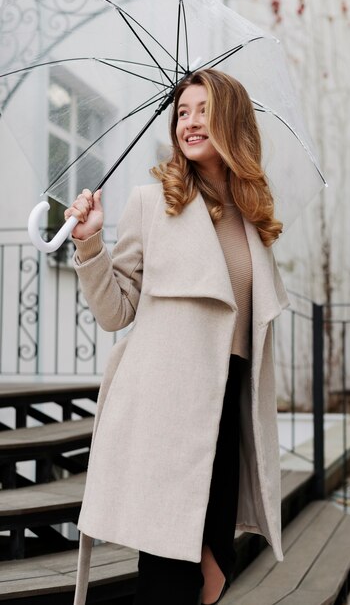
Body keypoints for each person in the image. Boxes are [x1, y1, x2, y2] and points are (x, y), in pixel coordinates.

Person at [67, 68, 289, 605]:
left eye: (203, 111)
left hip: (228, 406)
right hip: (168, 406)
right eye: (182, 112)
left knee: (217, 565)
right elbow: (116, 312)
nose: (189, 123)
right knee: (171, 565)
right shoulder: (152, 202)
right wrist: (90, 244)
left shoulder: (252, 216)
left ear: (232, 121)